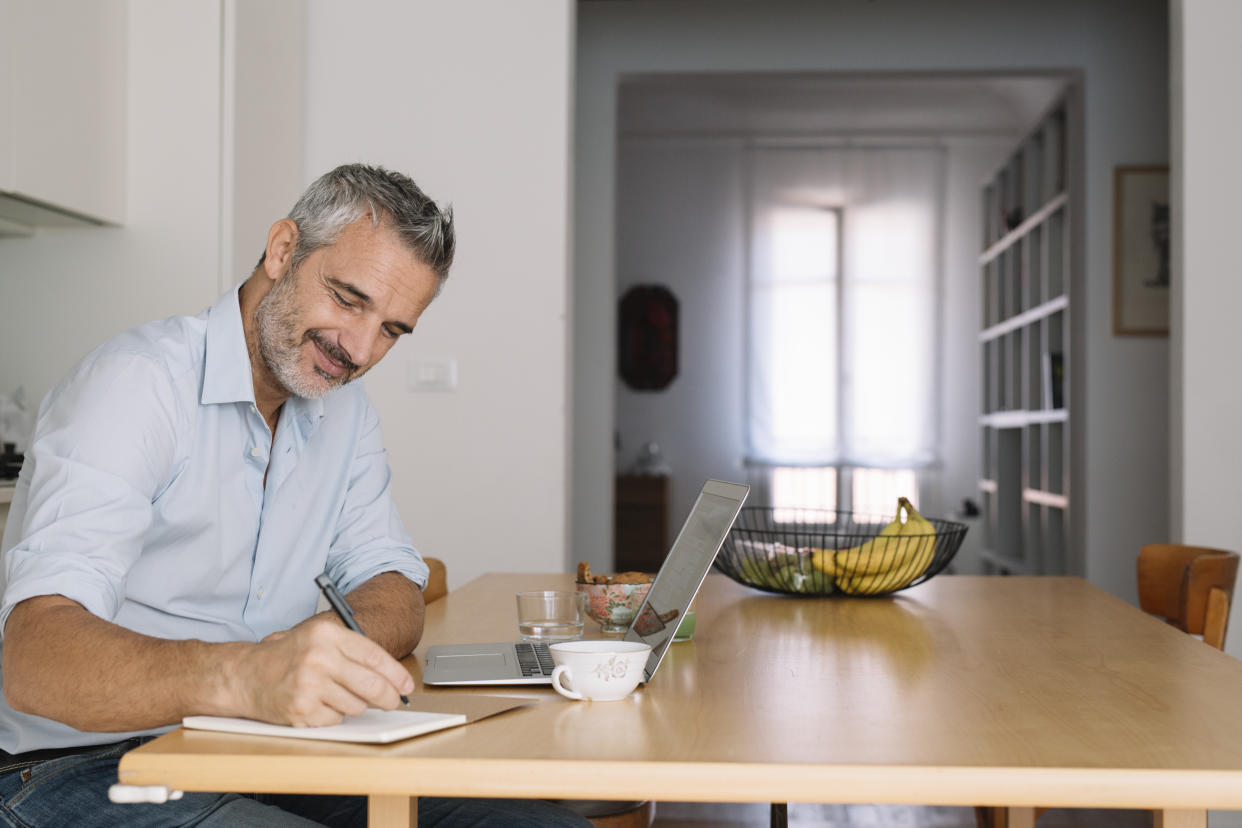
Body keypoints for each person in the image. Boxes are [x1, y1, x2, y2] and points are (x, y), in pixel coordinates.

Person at [0, 164, 591, 827]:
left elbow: (392, 583)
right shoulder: (136, 386)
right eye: (348, 298)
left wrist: (313, 656)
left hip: (253, 738)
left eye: (393, 329)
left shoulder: (343, 409)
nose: (361, 349)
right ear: (283, 250)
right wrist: (252, 675)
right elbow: (32, 658)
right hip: (73, 765)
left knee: (544, 826)